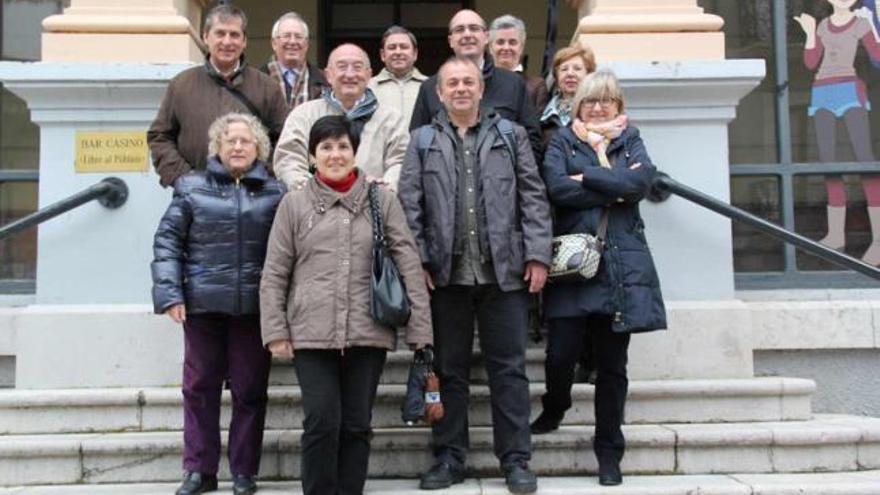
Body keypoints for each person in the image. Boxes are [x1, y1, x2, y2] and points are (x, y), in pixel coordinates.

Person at [398, 56, 552, 494]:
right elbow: (410, 208)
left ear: (481, 90)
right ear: (440, 93)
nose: (461, 88)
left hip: (504, 274)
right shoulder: (422, 140)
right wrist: (420, 262)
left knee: (510, 371)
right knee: (449, 373)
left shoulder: (512, 134)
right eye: (452, 83)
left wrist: (537, 256)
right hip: (446, 278)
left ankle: (516, 460)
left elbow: (533, 199)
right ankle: (449, 458)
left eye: (468, 81)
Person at [260, 115, 433, 495]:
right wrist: (275, 330)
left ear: (355, 153)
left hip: (367, 331)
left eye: (343, 146)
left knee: (356, 423)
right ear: (311, 156)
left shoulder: (381, 200)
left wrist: (420, 328)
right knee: (321, 421)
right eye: (326, 147)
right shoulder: (293, 204)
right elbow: (275, 271)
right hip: (310, 332)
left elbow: (407, 262)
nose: (335, 154)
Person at [530, 69, 667, 487]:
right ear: (579, 105)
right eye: (590, 101)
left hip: (620, 266)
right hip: (574, 265)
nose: (598, 107)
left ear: (618, 105)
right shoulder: (563, 141)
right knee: (560, 355)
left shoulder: (631, 138)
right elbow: (556, 188)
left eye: (606, 100)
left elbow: (641, 182)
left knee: (612, 367)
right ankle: (556, 404)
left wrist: (587, 177)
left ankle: (609, 452)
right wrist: (615, 187)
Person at [151, 112, 286, 495]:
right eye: (231, 141)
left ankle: (244, 472)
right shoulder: (191, 188)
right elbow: (167, 243)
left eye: (246, 141)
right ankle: (199, 471)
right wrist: (170, 293)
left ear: (259, 149)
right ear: (218, 148)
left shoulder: (277, 192)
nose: (238, 147)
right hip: (203, 307)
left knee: (249, 391)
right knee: (200, 389)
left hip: (254, 310)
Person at [148, 4, 287, 188]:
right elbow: (160, 136)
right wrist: (184, 178)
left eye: (235, 35)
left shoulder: (268, 87)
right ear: (206, 37)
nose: (227, 42)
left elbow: (285, 140)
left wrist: (260, 175)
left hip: (252, 199)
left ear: (244, 41)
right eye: (220, 33)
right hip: (195, 199)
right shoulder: (181, 84)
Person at [794, 0, 880, 264]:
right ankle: (835, 235)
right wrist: (810, 34)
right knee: (829, 163)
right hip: (821, 91)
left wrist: (875, 26)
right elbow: (810, 63)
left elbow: (877, 56)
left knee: (865, 161)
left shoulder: (861, 22)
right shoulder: (822, 25)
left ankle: (877, 240)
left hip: (849, 88)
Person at [409, 9, 543, 161]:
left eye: (474, 28)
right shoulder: (429, 87)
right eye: (459, 30)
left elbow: (532, 141)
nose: (467, 34)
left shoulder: (513, 83)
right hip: (445, 182)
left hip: (502, 182)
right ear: (450, 40)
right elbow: (417, 144)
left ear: (486, 37)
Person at [273, 43, 409, 191]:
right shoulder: (304, 115)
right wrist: (309, 188)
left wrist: (383, 187)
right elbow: (288, 159)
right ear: (328, 75)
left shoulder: (391, 119)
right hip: (315, 206)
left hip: (373, 206)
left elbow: (401, 162)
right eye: (342, 67)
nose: (350, 74)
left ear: (369, 75)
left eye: (357, 67)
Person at [261, 12, 329, 112]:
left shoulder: (325, 82)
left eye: (298, 37)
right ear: (274, 43)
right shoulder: (256, 81)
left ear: (306, 44)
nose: (292, 42)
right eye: (287, 36)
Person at [488, 14, 549, 115]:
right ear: (490, 47)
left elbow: (538, 127)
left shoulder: (536, 86)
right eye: (500, 42)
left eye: (512, 42)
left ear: (521, 47)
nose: (506, 48)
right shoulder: (479, 82)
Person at [368, 25, 428, 121]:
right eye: (392, 48)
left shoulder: (430, 86)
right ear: (383, 55)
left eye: (404, 47)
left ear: (415, 54)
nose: (398, 52)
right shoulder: (368, 88)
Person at [540, 45, 596, 146]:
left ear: (589, 75)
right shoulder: (543, 114)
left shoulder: (598, 111)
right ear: (556, 77)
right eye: (564, 69)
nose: (570, 74)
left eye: (577, 69)